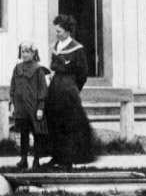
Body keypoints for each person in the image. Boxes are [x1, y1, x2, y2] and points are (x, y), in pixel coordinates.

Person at [45, 15, 94, 169]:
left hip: (68, 91)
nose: (56, 34)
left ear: (67, 31)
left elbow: (83, 73)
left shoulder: (77, 48)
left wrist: (73, 88)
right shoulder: (56, 46)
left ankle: (68, 159)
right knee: (54, 123)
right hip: (54, 89)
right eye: (56, 31)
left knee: (69, 125)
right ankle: (56, 156)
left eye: (59, 31)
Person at [9, 41, 49, 170]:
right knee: (23, 133)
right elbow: (13, 87)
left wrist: (40, 108)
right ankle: (23, 159)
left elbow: (43, 89)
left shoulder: (38, 70)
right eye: (22, 52)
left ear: (34, 53)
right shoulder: (17, 68)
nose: (25, 54)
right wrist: (12, 105)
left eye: (28, 52)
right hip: (21, 108)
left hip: (34, 108)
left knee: (37, 134)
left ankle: (36, 160)